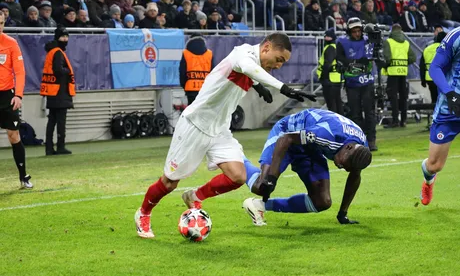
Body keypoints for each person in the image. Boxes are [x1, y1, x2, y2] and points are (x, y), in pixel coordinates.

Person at [134, 33, 316, 238]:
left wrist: (258, 87)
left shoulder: (254, 61)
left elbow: (252, 72)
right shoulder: (243, 54)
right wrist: (284, 89)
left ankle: (195, 196)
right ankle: (143, 213)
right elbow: (247, 67)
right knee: (170, 182)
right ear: (266, 48)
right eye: (279, 60)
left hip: (219, 129)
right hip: (195, 124)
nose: (278, 66)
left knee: (238, 176)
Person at [242, 109, 372, 226]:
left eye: (346, 168)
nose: (340, 166)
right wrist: (271, 178)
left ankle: (259, 206)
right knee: (262, 186)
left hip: (310, 146)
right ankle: (236, 157)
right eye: (344, 163)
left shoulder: (360, 150)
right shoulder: (327, 134)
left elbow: (354, 177)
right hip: (287, 133)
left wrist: (343, 213)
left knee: (322, 201)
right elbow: (286, 139)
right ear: (348, 147)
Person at [420, 27, 460, 206]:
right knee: (434, 165)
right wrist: (450, 93)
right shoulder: (455, 36)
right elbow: (435, 67)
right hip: (450, 109)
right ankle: (429, 180)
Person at [0, 11, 32, 188]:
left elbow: (19, 71)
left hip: (7, 95)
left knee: (14, 135)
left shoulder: (11, 43)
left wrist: (18, 95)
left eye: (1, 23)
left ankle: (23, 176)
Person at [336, 17, 378, 151]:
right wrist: (353, 63)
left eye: (359, 30)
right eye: (354, 31)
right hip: (352, 83)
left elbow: (376, 51)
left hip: (367, 82)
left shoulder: (368, 40)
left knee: (369, 112)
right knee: (355, 113)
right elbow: (340, 59)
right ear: (349, 31)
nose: (357, 34)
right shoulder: (342, 42)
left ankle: (372, 140)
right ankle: (359, 140)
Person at [40, 27, 75, 155]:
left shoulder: (51, 51)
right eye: (63, 37)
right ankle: (60, 146)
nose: (65, 39)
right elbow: (58, 70)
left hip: (52, 91)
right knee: (60, 121)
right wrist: (68, 71)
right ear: (57, 37)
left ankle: (49, 148)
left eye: (66, 36)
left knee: (52, 121)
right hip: (60, 91)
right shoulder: (58, 52)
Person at [381, 24, 416, 128]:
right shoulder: (406, 42)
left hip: (392, 72)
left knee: (393, 97)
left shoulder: (388, 42)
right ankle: (404, 120)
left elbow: (387, 58)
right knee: (403, 97)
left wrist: (385, 65)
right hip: (403, 72)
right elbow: (413, 57)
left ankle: (395, 120)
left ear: (392, 31)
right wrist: (404, 62)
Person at [179, 35, 215, 105]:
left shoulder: (186, 53)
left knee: (192, 111)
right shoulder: (209, 54)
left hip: (190, 89)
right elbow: (213, 72)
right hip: (205, 88)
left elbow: (182, 72)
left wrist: (184, 85)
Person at [317, 28, 344, 114]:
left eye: (327, 36)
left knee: (332, 104)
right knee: (337, 103)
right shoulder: (335, 46)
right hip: (335, 79)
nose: (325, 38)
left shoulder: (330, 48)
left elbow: (327, 64)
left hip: (329, 79)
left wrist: (323, 77)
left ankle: (334, 123)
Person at [420, 29, 446, 104]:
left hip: (430, 78)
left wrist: (423, 80)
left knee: (434, 99)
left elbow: (422, 66)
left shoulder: (427, 49)